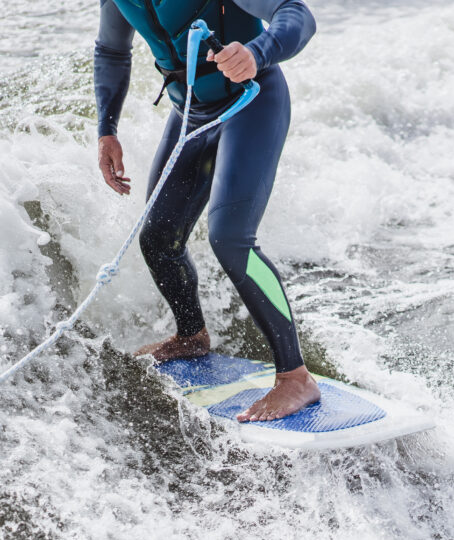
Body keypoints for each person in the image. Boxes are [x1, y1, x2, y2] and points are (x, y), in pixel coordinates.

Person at [93, 0, 320, 422]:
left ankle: (295, 377)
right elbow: (111, 50)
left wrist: (258, 51)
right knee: (159, 238)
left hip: (252, 101)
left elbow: (296, 14)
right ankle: (192, 335)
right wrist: (107, 131)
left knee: (230, 239)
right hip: (191, 113)